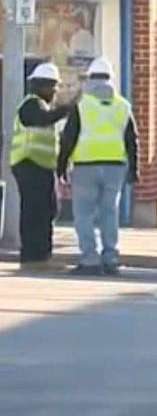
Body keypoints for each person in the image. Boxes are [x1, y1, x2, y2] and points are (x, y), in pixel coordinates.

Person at [57, 58, 138, 276]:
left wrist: (61, 167)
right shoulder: (123, 106)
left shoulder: (82, 106)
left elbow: (68, 138)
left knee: (83, 214)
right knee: (109, 213)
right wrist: (133, 170)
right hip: (115, 167)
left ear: (90, 79)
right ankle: (110, 258)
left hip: (85, 167)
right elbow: (132, 140)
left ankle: (90, 260)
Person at [10, 63, 72, 265]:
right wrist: (67, 108)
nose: (54, 92)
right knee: (34, 211)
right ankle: (32, 255)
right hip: (29, 163)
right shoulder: (31, 105)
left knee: (48, 210)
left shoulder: (43, 106)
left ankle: (42, 254)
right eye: (53, 87)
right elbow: (43, 120)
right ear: (42, 86)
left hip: (43, 166)